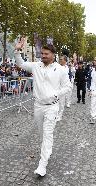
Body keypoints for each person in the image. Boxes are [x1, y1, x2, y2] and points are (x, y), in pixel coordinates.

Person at [14, 37, 71, 177]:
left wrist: (56, 94)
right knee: (42, 134)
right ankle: (47, 150)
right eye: (42, 53)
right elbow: (20, 63)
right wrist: (17, 50)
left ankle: (42, 164)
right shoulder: (36, 66)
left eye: (46, 54)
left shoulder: (61, 69)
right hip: (38, 106)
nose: (43, 56)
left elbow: (68, 86)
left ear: (53, 55)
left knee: (47, 133)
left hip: (52, 107)